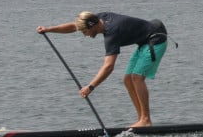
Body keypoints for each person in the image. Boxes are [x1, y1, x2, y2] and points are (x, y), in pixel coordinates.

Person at [37, 11, 169, 127]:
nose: (85, 35)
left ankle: (146, 120)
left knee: (137, 77)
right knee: (128, 80)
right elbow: (73, 26)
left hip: (156, 38)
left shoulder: (111, 33)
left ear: (91, 26)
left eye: (85, 32)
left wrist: (90, 87)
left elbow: (108, 67)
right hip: (145, 40)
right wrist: (48, 29)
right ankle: (141, 120)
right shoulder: (98, 18)